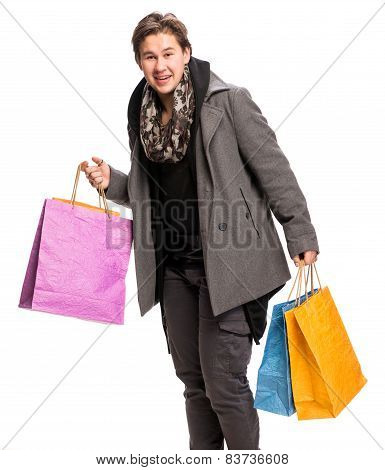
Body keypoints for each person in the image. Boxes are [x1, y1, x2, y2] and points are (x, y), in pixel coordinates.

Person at [81, 12, 319, 450]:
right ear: (139, 62)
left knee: (224, 383)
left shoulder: (229, 102)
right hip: (173, 266)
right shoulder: (141, 110)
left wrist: (300, 234)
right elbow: (144, 188)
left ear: (186, 54)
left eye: (168, 53)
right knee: (193, 383)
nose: (160, 65)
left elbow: (274, 171)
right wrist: (110, 181)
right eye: (149, 56)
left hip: (230, 265)